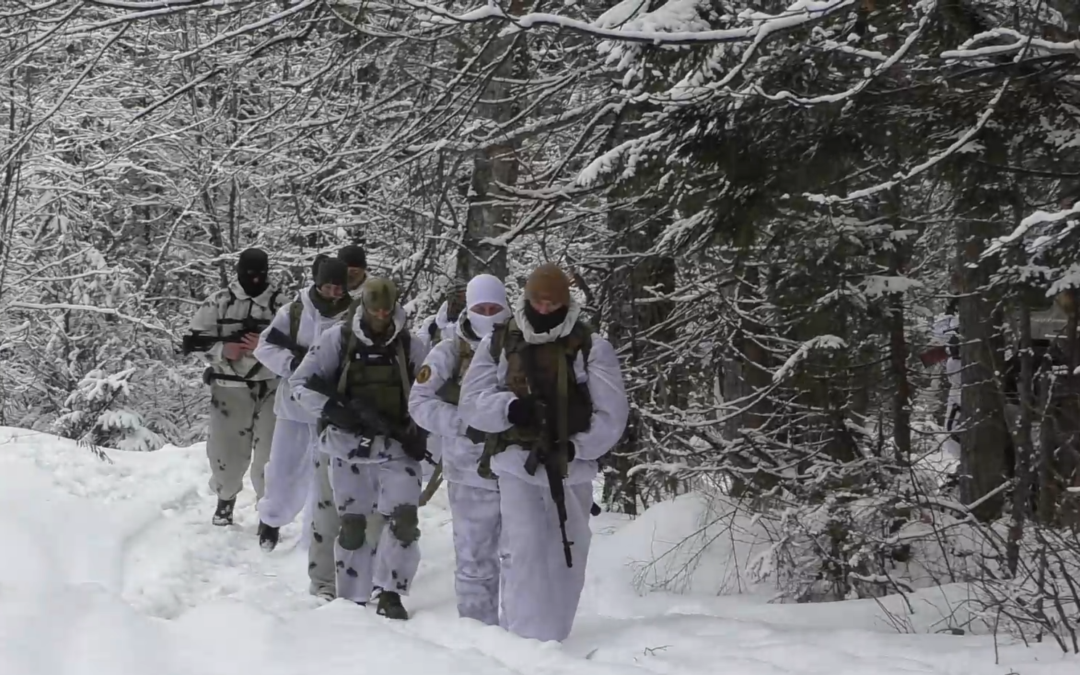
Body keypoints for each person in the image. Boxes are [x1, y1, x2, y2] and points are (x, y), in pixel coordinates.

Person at [459, 262, 628, 642]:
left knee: (569, 550)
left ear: (566, 302)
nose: (546, 308)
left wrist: (576, 446)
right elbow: (471, 402)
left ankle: (554, 637)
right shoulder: (500, 342)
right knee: (523, 550)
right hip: (517, 461)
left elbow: (612, 413)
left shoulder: (590, 346)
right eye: (539, 300)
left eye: (554, 302)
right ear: (527, 298)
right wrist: (509, 409)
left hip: (573, 466)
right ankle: (523, 641)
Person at [290, 278, 431, 619]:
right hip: (348, 446)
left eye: (386, 309)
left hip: (397, 445)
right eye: (374, 309)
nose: (381, 316)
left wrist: (421, 433)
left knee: (404, 521)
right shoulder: (337, 340)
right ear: (363, 307)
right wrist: (333, 410)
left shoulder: (411, 345)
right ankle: (353, 596)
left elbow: (429, 394)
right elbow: (300, 383)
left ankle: (392, 591)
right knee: (352, 524)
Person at [408, 274, 511, 626]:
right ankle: (477, 632)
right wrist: (465, 425)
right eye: (480, 308)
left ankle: (522, 637)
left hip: (518, 470)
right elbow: (419, 402)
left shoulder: (524, 346)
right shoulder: (450, 350)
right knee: (474, 559)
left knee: (521, 558)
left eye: (494, 308)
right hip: (468, 471)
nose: (487, 314)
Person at [252, 258, 352, 552]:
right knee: (283, 469)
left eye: (339, 287)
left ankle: (318, 534)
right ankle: (271, 521)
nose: (334, 292)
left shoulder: (354, 314)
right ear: (318, 283)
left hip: (332, 406)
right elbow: (265, 346)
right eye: (328, 286)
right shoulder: (294, 311)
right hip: (294, 406)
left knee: (328, 476)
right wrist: (295, 363)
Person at [185, 248, 287, 526]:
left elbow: (303, 345)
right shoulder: (219, 302)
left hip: (271, 386)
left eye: (260, 274)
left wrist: (264, 346)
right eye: (248, 274)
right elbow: (191, 341)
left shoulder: (282, 305)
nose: (254, 280)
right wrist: (222, 349)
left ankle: (269, 514)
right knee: (226, 452)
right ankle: (225, 499)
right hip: (229, 387)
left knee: (270, 455)